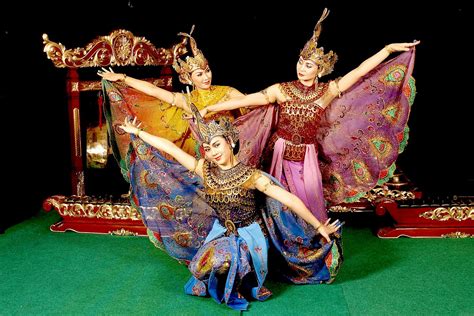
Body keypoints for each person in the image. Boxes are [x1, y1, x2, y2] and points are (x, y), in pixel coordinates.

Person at [119, 103, 343, 311]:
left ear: (231, 142)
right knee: (199, 268)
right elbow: (172, 150)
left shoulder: (251, 176)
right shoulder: (205, 170)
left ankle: (245, 277)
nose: (213, 152)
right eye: (208, 148)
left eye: (217, 145)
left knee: (222, 261)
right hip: (221, 232)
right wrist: (139, 133)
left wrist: (318, 226)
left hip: (250, 236)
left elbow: (289, 199)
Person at [201, 8, 419, 221]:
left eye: (308, 65)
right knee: (278, 204)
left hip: (307, 157)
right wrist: (211, 108)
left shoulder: (326, 92)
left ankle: (313, 245)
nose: (301, 68)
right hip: (279, 152)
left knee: (309, 202)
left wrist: (387, 50)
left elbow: (360, 71)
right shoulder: (282, 90)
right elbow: (249, 99)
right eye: (300, 63)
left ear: (320, 70)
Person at [98, 26, 245, 160]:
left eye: (207, 71)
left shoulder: (227, 92)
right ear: (188, 77)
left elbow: (251, 103)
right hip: (206, 158)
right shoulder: (187, 100)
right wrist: (123, 78)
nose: (206, 77)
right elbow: (153, 90)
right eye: (199, 74)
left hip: (234, 155)